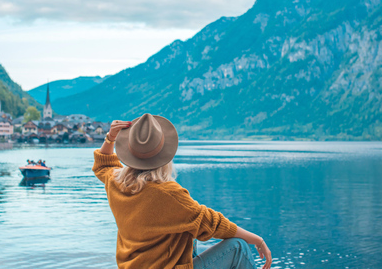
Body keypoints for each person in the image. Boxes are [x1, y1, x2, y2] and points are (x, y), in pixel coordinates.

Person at [93, 113, 272, 269]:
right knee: (238, 247)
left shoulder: (116, 182)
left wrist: (110, 137)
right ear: (165, 154)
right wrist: (258, 240)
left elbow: (103, 165)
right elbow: (212, 223)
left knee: (188, 235)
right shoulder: (168, 194)